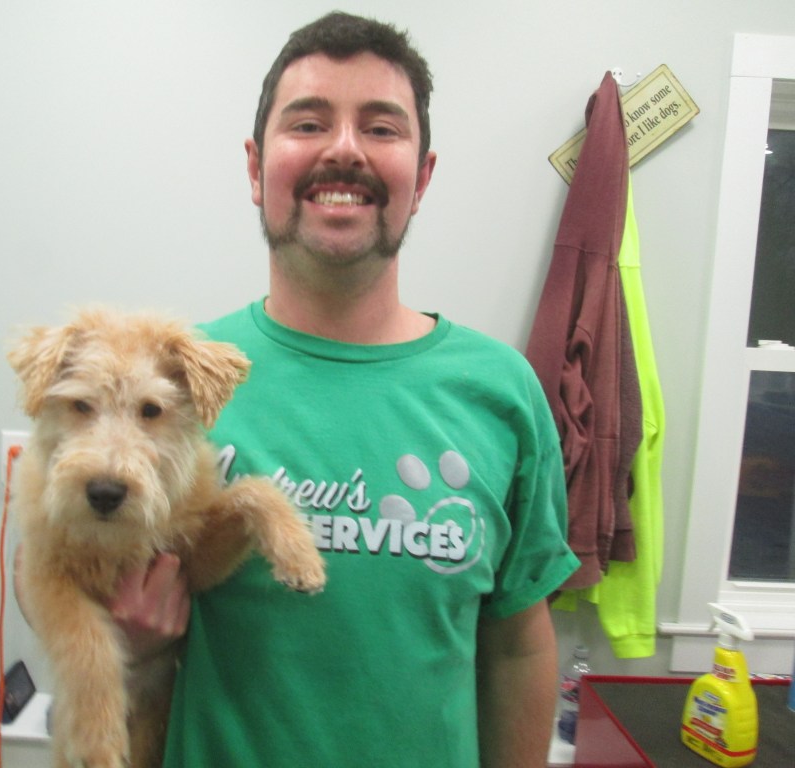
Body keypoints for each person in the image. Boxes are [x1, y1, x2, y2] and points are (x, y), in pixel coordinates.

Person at [92, 12, 578, 767]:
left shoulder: (501, 392)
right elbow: (58, 564)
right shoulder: (171, 382)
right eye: (309, 123)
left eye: (381, 128)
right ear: (256, 167)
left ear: (422, 177)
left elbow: (517, 645)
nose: (344, 149)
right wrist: (126, 640)